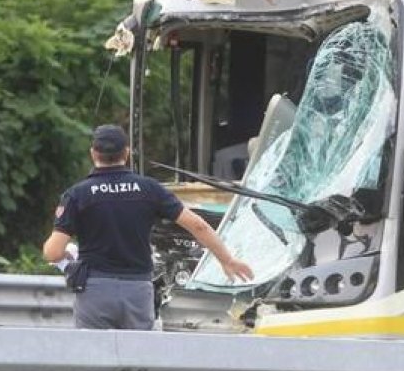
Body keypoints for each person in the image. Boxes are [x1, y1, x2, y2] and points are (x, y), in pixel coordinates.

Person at [43, 124, 253, 330]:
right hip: (138, 289)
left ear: (93, 153)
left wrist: (69, 258)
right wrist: (227, 259)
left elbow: (53, 252)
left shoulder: (77, 195)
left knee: (95, 357)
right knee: (139, 359)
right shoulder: (149, 189)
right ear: (126, 153)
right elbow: (198, 226)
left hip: (96, 290)